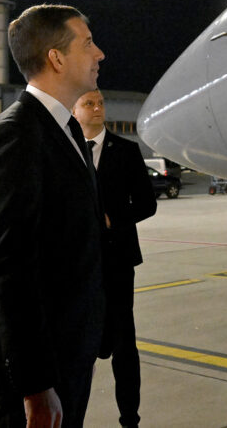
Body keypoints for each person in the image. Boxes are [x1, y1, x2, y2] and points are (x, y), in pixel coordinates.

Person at [0, 4, 107, 427]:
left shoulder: (66, 132)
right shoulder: (16, 135)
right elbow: (8, 268)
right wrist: (35, 384)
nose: (99, 53)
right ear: (56, 58)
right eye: (87, 43)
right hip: (34, 371)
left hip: (68, 351)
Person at [73, 89, 156, 428]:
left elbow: (147, 204)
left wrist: (114, 220)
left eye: (100, 103)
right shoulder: (67, 150)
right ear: (74, 110)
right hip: (80, 265)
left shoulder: (126, 151)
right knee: (79, 348)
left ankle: (130, 420)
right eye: (88, 103)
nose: (97, 108)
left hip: (118, 263)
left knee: (124, 346)